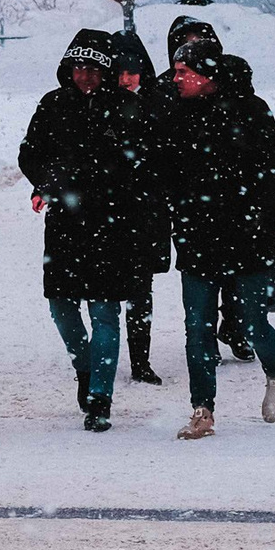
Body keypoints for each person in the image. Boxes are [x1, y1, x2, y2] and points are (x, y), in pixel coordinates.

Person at [146, 40, 275, 440]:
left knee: (251, 321)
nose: (175, 79)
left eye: (183, 73)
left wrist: (262, 224)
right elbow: (161, 171)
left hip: (247, 241)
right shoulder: (175, 116)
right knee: (197, 327)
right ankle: (202, 409)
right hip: (197, 240)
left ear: (207, 76)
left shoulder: (251, 112)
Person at [17, 29, 145, 432]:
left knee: (105, 312)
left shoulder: (128, 108)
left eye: (93, 69)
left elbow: (141, 163)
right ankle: (86, 369)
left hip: (113, 223)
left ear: (107, 70)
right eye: (78, 68)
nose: (85, 76)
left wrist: (115, 188)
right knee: (61, 306)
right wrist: (48, 183)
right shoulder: (53, 105)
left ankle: (100, 397)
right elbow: (29, 154)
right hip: (65, 224)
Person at [163, 16, 256, 363]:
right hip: (194, 214)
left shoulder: (237, 95)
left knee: (237, 281)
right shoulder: (169, 89)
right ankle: (207, 343)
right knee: (200, 290)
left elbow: (261, 159)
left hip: (232, 212)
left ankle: (235, 325)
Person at [110, 30, 168, 386]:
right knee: (110, 290)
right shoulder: (101, 104)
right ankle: (108, 357)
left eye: (133, 71)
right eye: (120, 71)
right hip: (114, 210)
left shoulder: (156, 102)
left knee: (140, 290)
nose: (127, 79)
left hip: (145, 211)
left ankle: (139, 359)